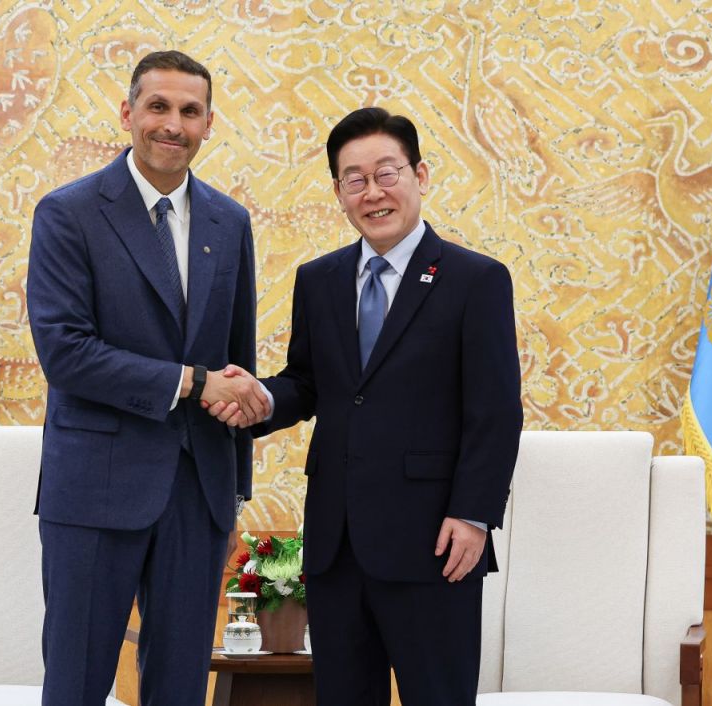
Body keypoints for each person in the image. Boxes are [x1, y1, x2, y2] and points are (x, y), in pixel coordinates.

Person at [208, 107, 523, 704]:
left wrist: (474, 515)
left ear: (419, 175)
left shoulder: (474, 280)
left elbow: (496, 411)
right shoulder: (318, 280)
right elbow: (309, 382)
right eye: (354, 179)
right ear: (339, 192)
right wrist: (260, 398)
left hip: (436, 542)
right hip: (337, 543)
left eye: (386, 173)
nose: (372, 192)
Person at [26, 50, 269, 706]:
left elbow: (235, 360)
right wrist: (192, 382)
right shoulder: (68, 213)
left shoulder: (230, 222)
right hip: (94, 489)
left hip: (199, 493)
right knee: (76, 683)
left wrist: (233, 496)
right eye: (158, 106)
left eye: (190, 111)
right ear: (127, 112)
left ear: (209, 124)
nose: (173, 124)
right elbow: (65, 353)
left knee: (181, 688)